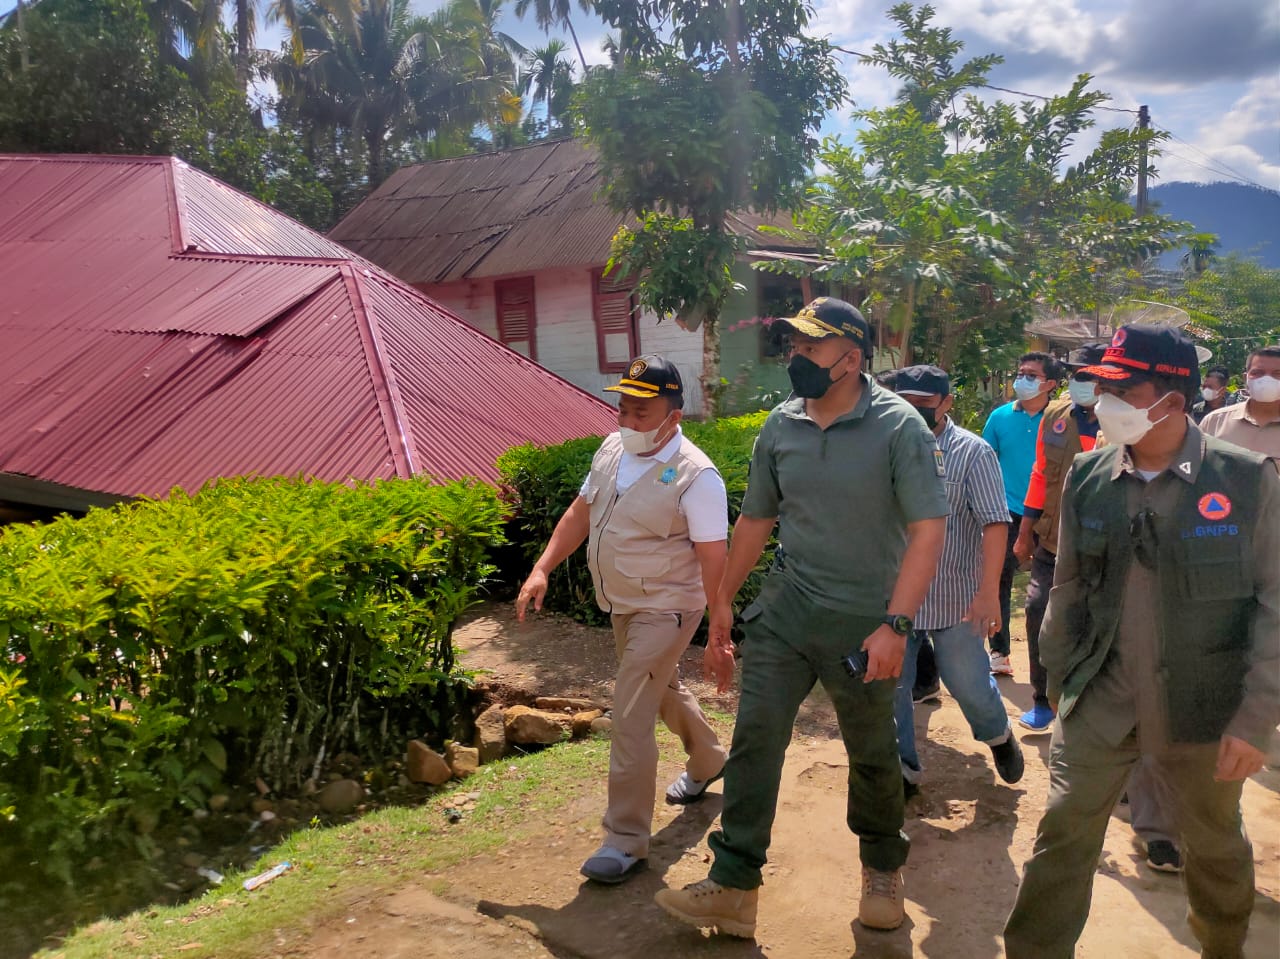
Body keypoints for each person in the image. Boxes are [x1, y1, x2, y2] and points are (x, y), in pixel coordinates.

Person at [652, 297, 948, 938]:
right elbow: (756, 519)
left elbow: (928, 530)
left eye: (810, 348)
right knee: (755, 741)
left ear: (851, 356)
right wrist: (723, 601)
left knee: (873, 755)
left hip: (865, 620)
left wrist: (897, 626)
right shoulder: (780, 425)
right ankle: (734, 884)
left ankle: (881, 872)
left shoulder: (899, 428)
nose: (797, 358)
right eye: (793, 346)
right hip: (787, 609)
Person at [1004, 325, 1280, 959]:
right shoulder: (1089, 476)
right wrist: (1062, 677)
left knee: (1212, 844)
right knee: (1064, 832)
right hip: (1102, 693)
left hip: (1204, 705)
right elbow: (1069, 583)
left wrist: (1255, 718)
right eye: (1104, 387)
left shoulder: (1248, 480)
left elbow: (1272, 603)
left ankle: (1222, 948)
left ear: (1174, 402)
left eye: (1124, 389)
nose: (1105, 402)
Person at [515, 355, 729, 885]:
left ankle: (625, 839)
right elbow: (580, 512)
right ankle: (708, 759)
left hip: (670, 607)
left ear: (673, 417)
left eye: (642, 411)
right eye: (624, 408)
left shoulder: (697, 476)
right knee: (659, 687)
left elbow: (714, 559)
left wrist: (720, 635)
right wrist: (542, 567)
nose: (628, 420)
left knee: (630, 709)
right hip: (623, 603)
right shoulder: (612, 450)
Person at [891, 365, 1023, 798]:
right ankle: (904, 770)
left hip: (955, 595)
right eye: (904, 402)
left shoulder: (973, 452)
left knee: (967, 682)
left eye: (923, 405)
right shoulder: (883, 445)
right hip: (893, 597)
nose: (912, 411)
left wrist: (989, 594)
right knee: (892, 686)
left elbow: (995, 523)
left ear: (946, 403)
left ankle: (998, 735)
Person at [1011, 343, 1105, 733]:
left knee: (1096, 626)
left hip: (1101, 546)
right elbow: (1040, 473)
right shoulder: (1055, 414)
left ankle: (1091, 706)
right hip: (1052, 539)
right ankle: (1042, 698)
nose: (1080, 382)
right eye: (1076, 374)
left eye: (1089, 375)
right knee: (1036, 612)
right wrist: (1024, 533)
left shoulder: (1126, 422)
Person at [981, 352, 1062, 676]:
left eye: (1032, 375)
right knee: (997, 578)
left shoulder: (1061, 421)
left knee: (1052, 586)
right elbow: (985, 461)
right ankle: (999, 652)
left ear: (1051, 384)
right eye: (1021, 373)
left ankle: (1051, 659)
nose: (1022, 380)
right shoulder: (1000, 417)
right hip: (1007, 511)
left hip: (1053, 513)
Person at [1200, 345, 1280, 465]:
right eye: (1257, 373)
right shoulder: (1215, 421)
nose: (1266, 380)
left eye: (1277, 374)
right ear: (1245, 378)